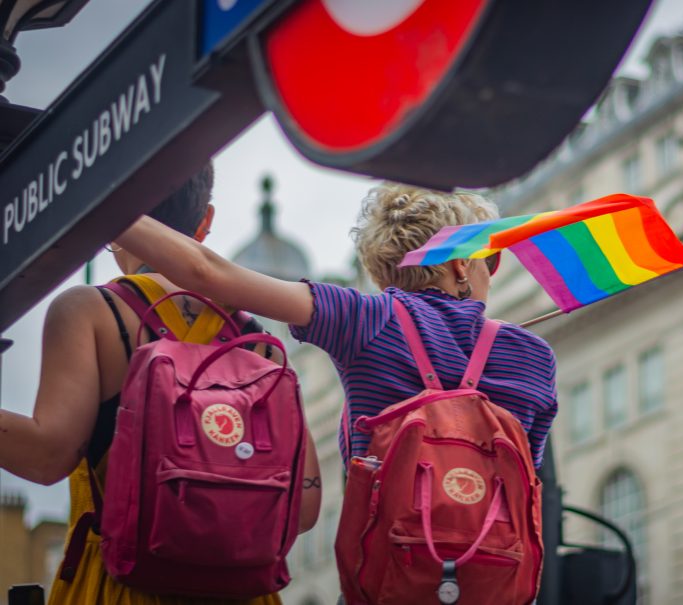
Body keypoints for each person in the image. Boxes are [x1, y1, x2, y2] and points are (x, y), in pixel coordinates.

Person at [0, 163, 321, 605]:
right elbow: (302, 510)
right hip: (244, 591)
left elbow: (46, 456)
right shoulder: (261, 342)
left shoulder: (90, 311)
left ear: (112, 225)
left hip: (123, 586)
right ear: (205, 222)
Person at [114, 183, 558, 471]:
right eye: (490, 259)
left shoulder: (364, 317)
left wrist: (101, 209)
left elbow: (206, 273)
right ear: (461, 265)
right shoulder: (536, 357)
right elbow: (530, 486)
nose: (489, 273)